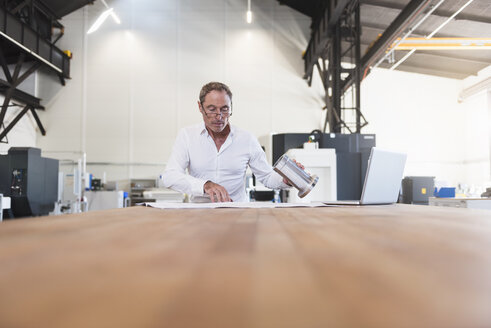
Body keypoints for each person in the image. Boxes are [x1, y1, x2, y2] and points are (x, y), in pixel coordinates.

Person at [163, 81, 302, 202]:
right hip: (200, 213)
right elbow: (170, 176)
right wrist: (205, 185)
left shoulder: (246, 139)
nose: (219, 117)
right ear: (200, 107)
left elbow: (266, 176)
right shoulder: (187, 136)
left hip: (237, 213)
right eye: (212, 110)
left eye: (225, 109)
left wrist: (284, 180)